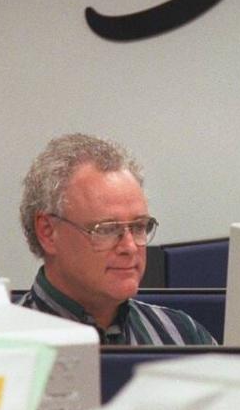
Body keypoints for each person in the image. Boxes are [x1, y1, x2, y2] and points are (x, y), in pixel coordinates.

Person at [18, 133, 216, 345]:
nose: (129, 247)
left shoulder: (182, 337)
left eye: (139, 227)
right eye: (107, 229)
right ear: (48, 231)